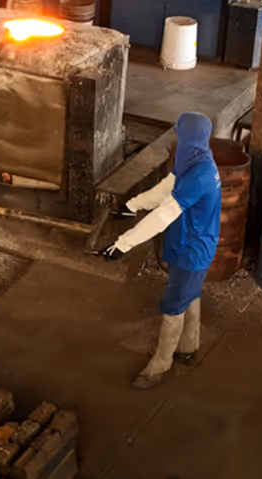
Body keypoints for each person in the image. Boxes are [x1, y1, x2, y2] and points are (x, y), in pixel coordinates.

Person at [94, 112, 221, 389]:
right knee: (190, 294)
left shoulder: (200, 174)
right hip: (186, 240)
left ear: (186, 136)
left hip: (193, 250)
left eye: (178, 133)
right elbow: (168, 187)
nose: (175, 137)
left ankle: (160, 366)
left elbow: (165, 214)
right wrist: (132, 206)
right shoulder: (196, 159)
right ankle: (188, 346)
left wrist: (123, 244)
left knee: (174, 306)